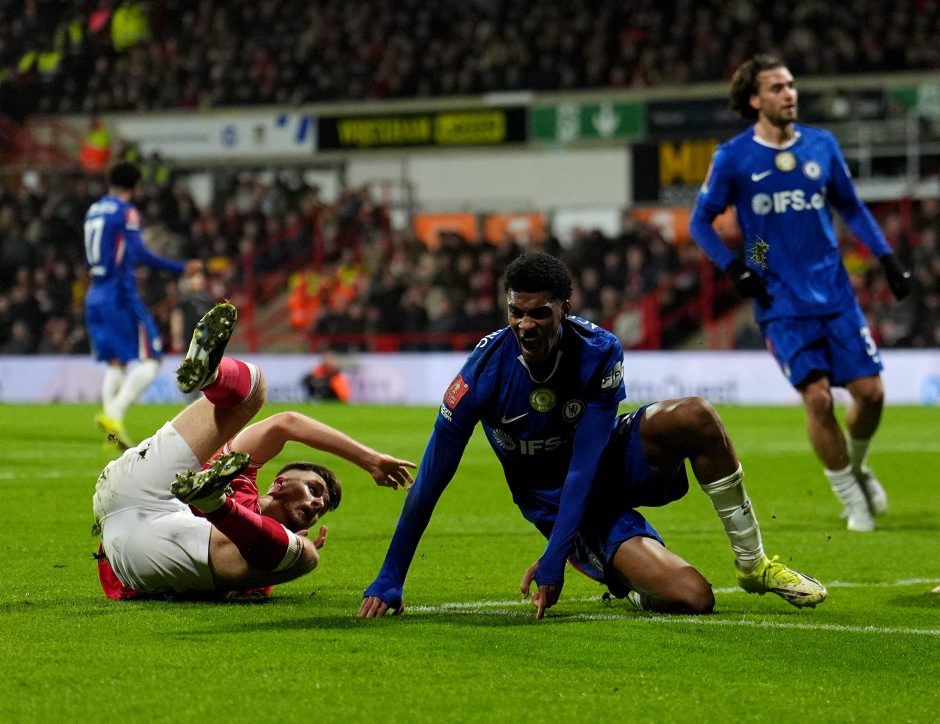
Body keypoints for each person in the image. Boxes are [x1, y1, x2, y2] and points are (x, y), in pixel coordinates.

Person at [360, 252, 826, 620]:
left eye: (539, 313)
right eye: (516, 312)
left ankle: (753, 565)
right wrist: (390, 576)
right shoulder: (481, 375)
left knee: (695, 415)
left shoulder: (599, 350)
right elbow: (430, 482)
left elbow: (585, 465)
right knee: (693, 597)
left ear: (565, 308)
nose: (525, 325)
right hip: (554, 500)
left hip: (603, 463)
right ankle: (625, 580)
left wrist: (553, 555)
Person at [689, 55, 913, 533]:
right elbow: (700, 222)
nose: (789, 93)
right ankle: (852, 500)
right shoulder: (734, 158)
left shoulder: (821, 145)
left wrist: (888, 258)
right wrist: (737, 267)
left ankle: (857, 466)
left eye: (791, 85)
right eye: (777, 87)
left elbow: (851, 207)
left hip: (833, 290)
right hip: (778, 295)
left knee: (871, 394)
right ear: (755, 100)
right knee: (818, 399)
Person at [92, 301, 416, 600]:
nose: (318, 504)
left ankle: (213, 502)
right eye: (314, 490)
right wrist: (370, 460)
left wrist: (290, 550)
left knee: (305, 556)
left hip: (140, 556)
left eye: (322, 507)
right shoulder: (242, 476)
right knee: (255, 389)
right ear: (280, 483)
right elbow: (286, 423)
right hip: (133, 487)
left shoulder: (264, 564)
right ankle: (211, 376)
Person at [83, 161, 201, 449]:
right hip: (119, 295)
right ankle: (113, 415)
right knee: (152, 358)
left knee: (116, 362)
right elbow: (138, 254)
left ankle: (111, 436)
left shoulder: (93, 210)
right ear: (135, 187)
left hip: (94, 293)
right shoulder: (126, 211)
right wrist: (181, 267)